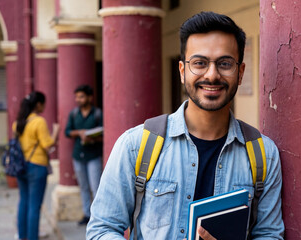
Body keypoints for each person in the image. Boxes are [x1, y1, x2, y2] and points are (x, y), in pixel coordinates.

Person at [87, 12, 284, 240]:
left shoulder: (264, 155)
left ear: (240, 73)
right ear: (182, 71)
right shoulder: (136, 145)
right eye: (199, 63)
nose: (212, 75)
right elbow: (102, 229)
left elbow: (269, 234)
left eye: (225, 63)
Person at [14, 91, 59, 240]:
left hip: (21, 166)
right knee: (35, 205)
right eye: (44, 104)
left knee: (24, 201)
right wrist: (56, 133)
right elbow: (47, 145)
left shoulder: (18, 122)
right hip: (37, 166)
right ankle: (33, 237)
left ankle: (22, 236)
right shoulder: (39, 122)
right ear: (38, 104)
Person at [65, 85, 103, 225]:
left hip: (93, 155)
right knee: (83, 186)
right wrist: (80, 132)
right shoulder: (74, 113)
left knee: (96, 186)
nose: (78, 100)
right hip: (78, 155)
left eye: (81, 96)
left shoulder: (98, 113)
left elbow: (105, 133)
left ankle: (98, 216)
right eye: (77, 97)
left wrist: (92, 138)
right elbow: (67, 131)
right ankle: (87, 214)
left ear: (89, 97)